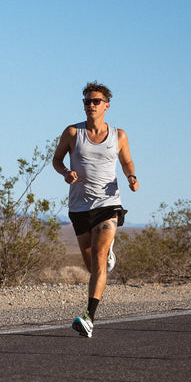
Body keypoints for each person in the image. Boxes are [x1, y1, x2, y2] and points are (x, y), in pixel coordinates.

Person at [52, 81, 140, 338]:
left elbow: (127, 161)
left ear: (106, 106)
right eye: (87, 101)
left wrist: (131, 177)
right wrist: (65, 172)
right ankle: (106, 256)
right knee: (92, 265)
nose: (90, 105)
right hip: (79, 206)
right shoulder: (72, 133)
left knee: (99, 260)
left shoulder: (118, 135)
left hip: (107, 204)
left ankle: (89, 317)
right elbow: (57, 159)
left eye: (96, 101)